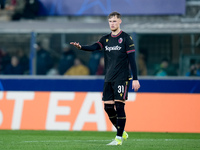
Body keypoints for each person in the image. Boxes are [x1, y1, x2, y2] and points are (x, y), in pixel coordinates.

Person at [70, 11, 140, 145]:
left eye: (114, 21)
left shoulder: (126, 38)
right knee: (108, 108)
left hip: (121, 77)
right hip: (108, 78)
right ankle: (122, 131)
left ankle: (118, 138)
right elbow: (94, 47)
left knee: (119, 106)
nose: (112, 23)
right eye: (110, 21)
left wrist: (135, 78)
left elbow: (132, 60)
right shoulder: (106, 39)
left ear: (120, 22)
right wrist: (81, 47)